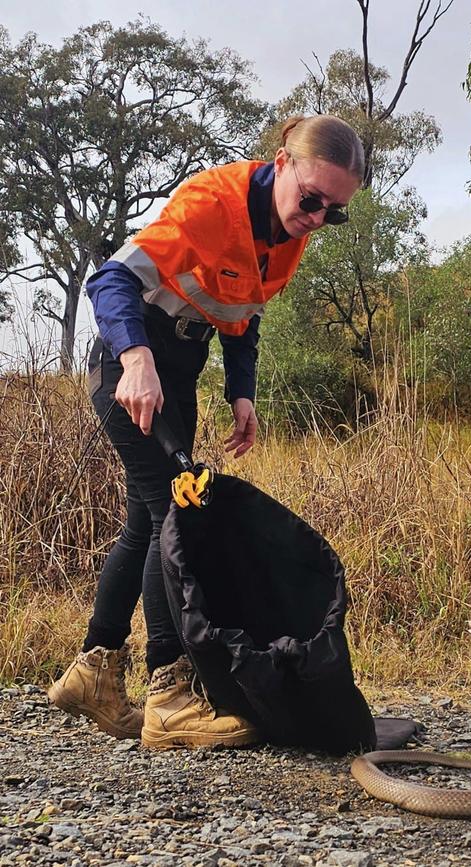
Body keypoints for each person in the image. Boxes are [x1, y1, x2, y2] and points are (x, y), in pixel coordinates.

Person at [48, 115, 364, 749]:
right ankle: (168, 694)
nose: (318, 217)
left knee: (148, 521)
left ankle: (94, 671)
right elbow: (110, 279)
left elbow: (243, 315)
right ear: (282, 162)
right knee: (175, 511)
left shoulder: (291, 232)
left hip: (179, 373)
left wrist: (241, 393)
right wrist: (136, 361)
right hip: (129, 362)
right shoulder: (208, 204)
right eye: (312, 200)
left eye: (335, 212)